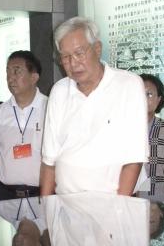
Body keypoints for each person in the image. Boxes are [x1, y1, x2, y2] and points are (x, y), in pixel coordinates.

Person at [40, 16, 147, 195]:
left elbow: (134, 159)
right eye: (65, 57)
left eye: (79, 53)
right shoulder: (59, 90)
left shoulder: (129, 85)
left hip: (113, 201)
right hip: (66, 201)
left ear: (97, 49)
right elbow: (49, 161)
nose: (73, 63)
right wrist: (46, 206)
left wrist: (119, 206)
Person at [0, 51, 47, 201]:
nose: (10, 78)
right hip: (6, 196)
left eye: (16, 71)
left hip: (42, 194)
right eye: (8, 72)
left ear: (34, 77)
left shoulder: (50, 109)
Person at [137, 73, 164, 203]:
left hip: (158, 200)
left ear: (158, 99)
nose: (143, 98)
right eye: (139, 93)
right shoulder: (124, 127)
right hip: (128, 199)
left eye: (149, 94)